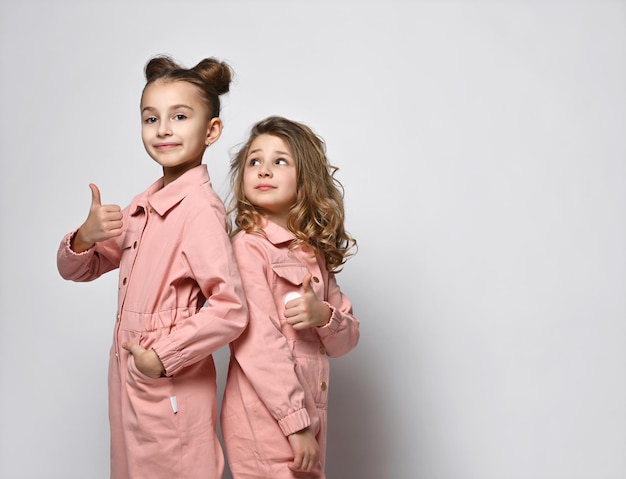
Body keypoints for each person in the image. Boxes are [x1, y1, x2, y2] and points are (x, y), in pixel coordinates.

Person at [56, 55, 248, 479]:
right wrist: (85, 237)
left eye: (180, 116)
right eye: (151, 118)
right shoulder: (144, 207)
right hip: (130, 379)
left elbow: (230, 309)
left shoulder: (198, 210)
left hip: (168, 382)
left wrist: (162, 355)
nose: (163, 129)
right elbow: (75, 270)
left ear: (211, 130)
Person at [221, 116, 360, 478]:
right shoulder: (249, 249)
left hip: (307, 418)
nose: (264, 170)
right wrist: (297, 426)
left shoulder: (312, 255)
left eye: (279, 161)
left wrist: (323, 316)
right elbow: (258, 345)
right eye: (255, 161)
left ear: (307, 178)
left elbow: (347, 340)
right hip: (267, 419)